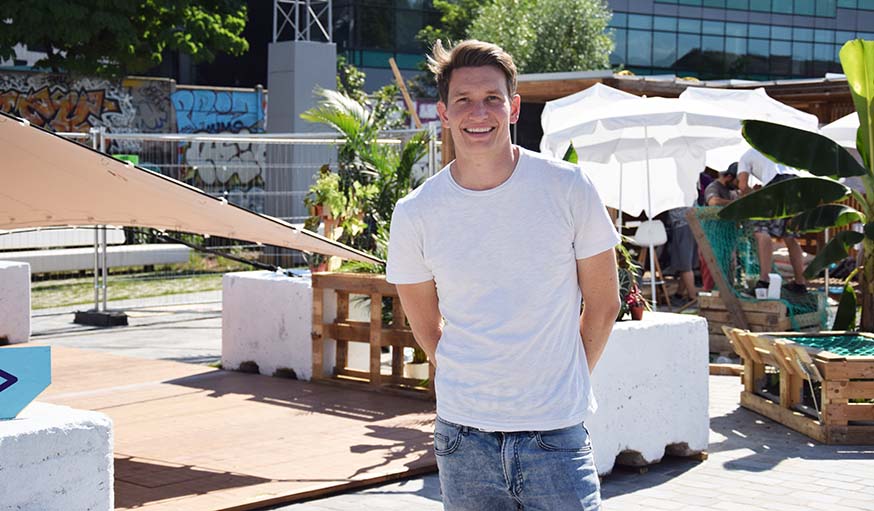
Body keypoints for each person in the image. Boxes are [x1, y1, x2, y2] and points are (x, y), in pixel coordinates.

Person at [386, 40, 620, 510]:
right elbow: (426, 328)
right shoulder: (416, 213)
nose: (479, 112)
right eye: (464, 101)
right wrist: (474, 380)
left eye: (492, 98)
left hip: (555, 436)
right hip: (462, 440)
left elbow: (605, 303)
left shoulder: (567, 187)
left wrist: (561, 378)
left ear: (513, 107)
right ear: (444, 113)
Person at [737, 148, 807, 294]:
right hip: (797, 186)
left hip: (776, 184)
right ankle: (800, 283)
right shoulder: (775, 148)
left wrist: (756, 195)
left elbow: (743, 187)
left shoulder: (745, 156)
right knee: (790, 236)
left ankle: (764, 281)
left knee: (761, 232)